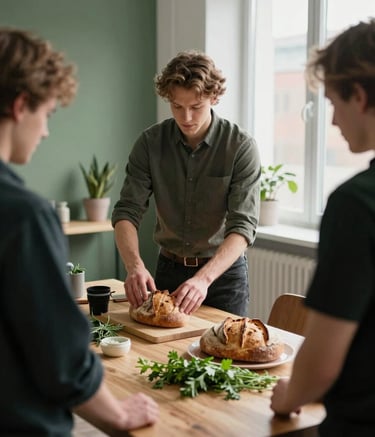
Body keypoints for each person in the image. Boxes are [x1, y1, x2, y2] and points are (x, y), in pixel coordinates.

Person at [0, 28, 158, 435]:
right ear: (20, 106)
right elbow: (61, 358)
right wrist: (119, 416)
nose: (46, 131)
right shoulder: (24, 216)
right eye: (47, 114)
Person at [270, 19, 375, 436]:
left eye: (333, 102)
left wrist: (290, 395)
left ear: (360, 96)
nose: (333, 121)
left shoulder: (356, 203)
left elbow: (323, 362)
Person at [112, 50, 261, 317]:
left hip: (222, 276)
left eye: (196, 107)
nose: (186, 118)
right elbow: (127, 211)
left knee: (226, 357)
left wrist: (204, 279)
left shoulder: (240, 146)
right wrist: (134, 266)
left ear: (214, 97)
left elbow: (243, 226)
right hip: (168, 271)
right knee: (162, 358)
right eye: (177, 107)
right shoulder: (150, 143)